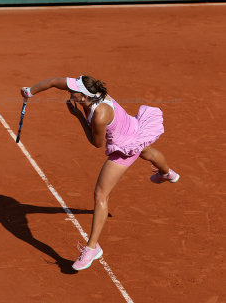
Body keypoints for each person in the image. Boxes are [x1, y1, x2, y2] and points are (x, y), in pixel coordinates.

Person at [20, 75, 180, 271]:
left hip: (124, 147)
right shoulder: (89, 92)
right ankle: (167, 173)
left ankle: (92, 248)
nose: (70, 93)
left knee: (100, 194)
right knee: (146, 151)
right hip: (132, 127)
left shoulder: (100, 114)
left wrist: (78, 116)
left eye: (73, 92)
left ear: (84, 96)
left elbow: (96, 143)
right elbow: (54, 82)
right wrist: (29, 92)